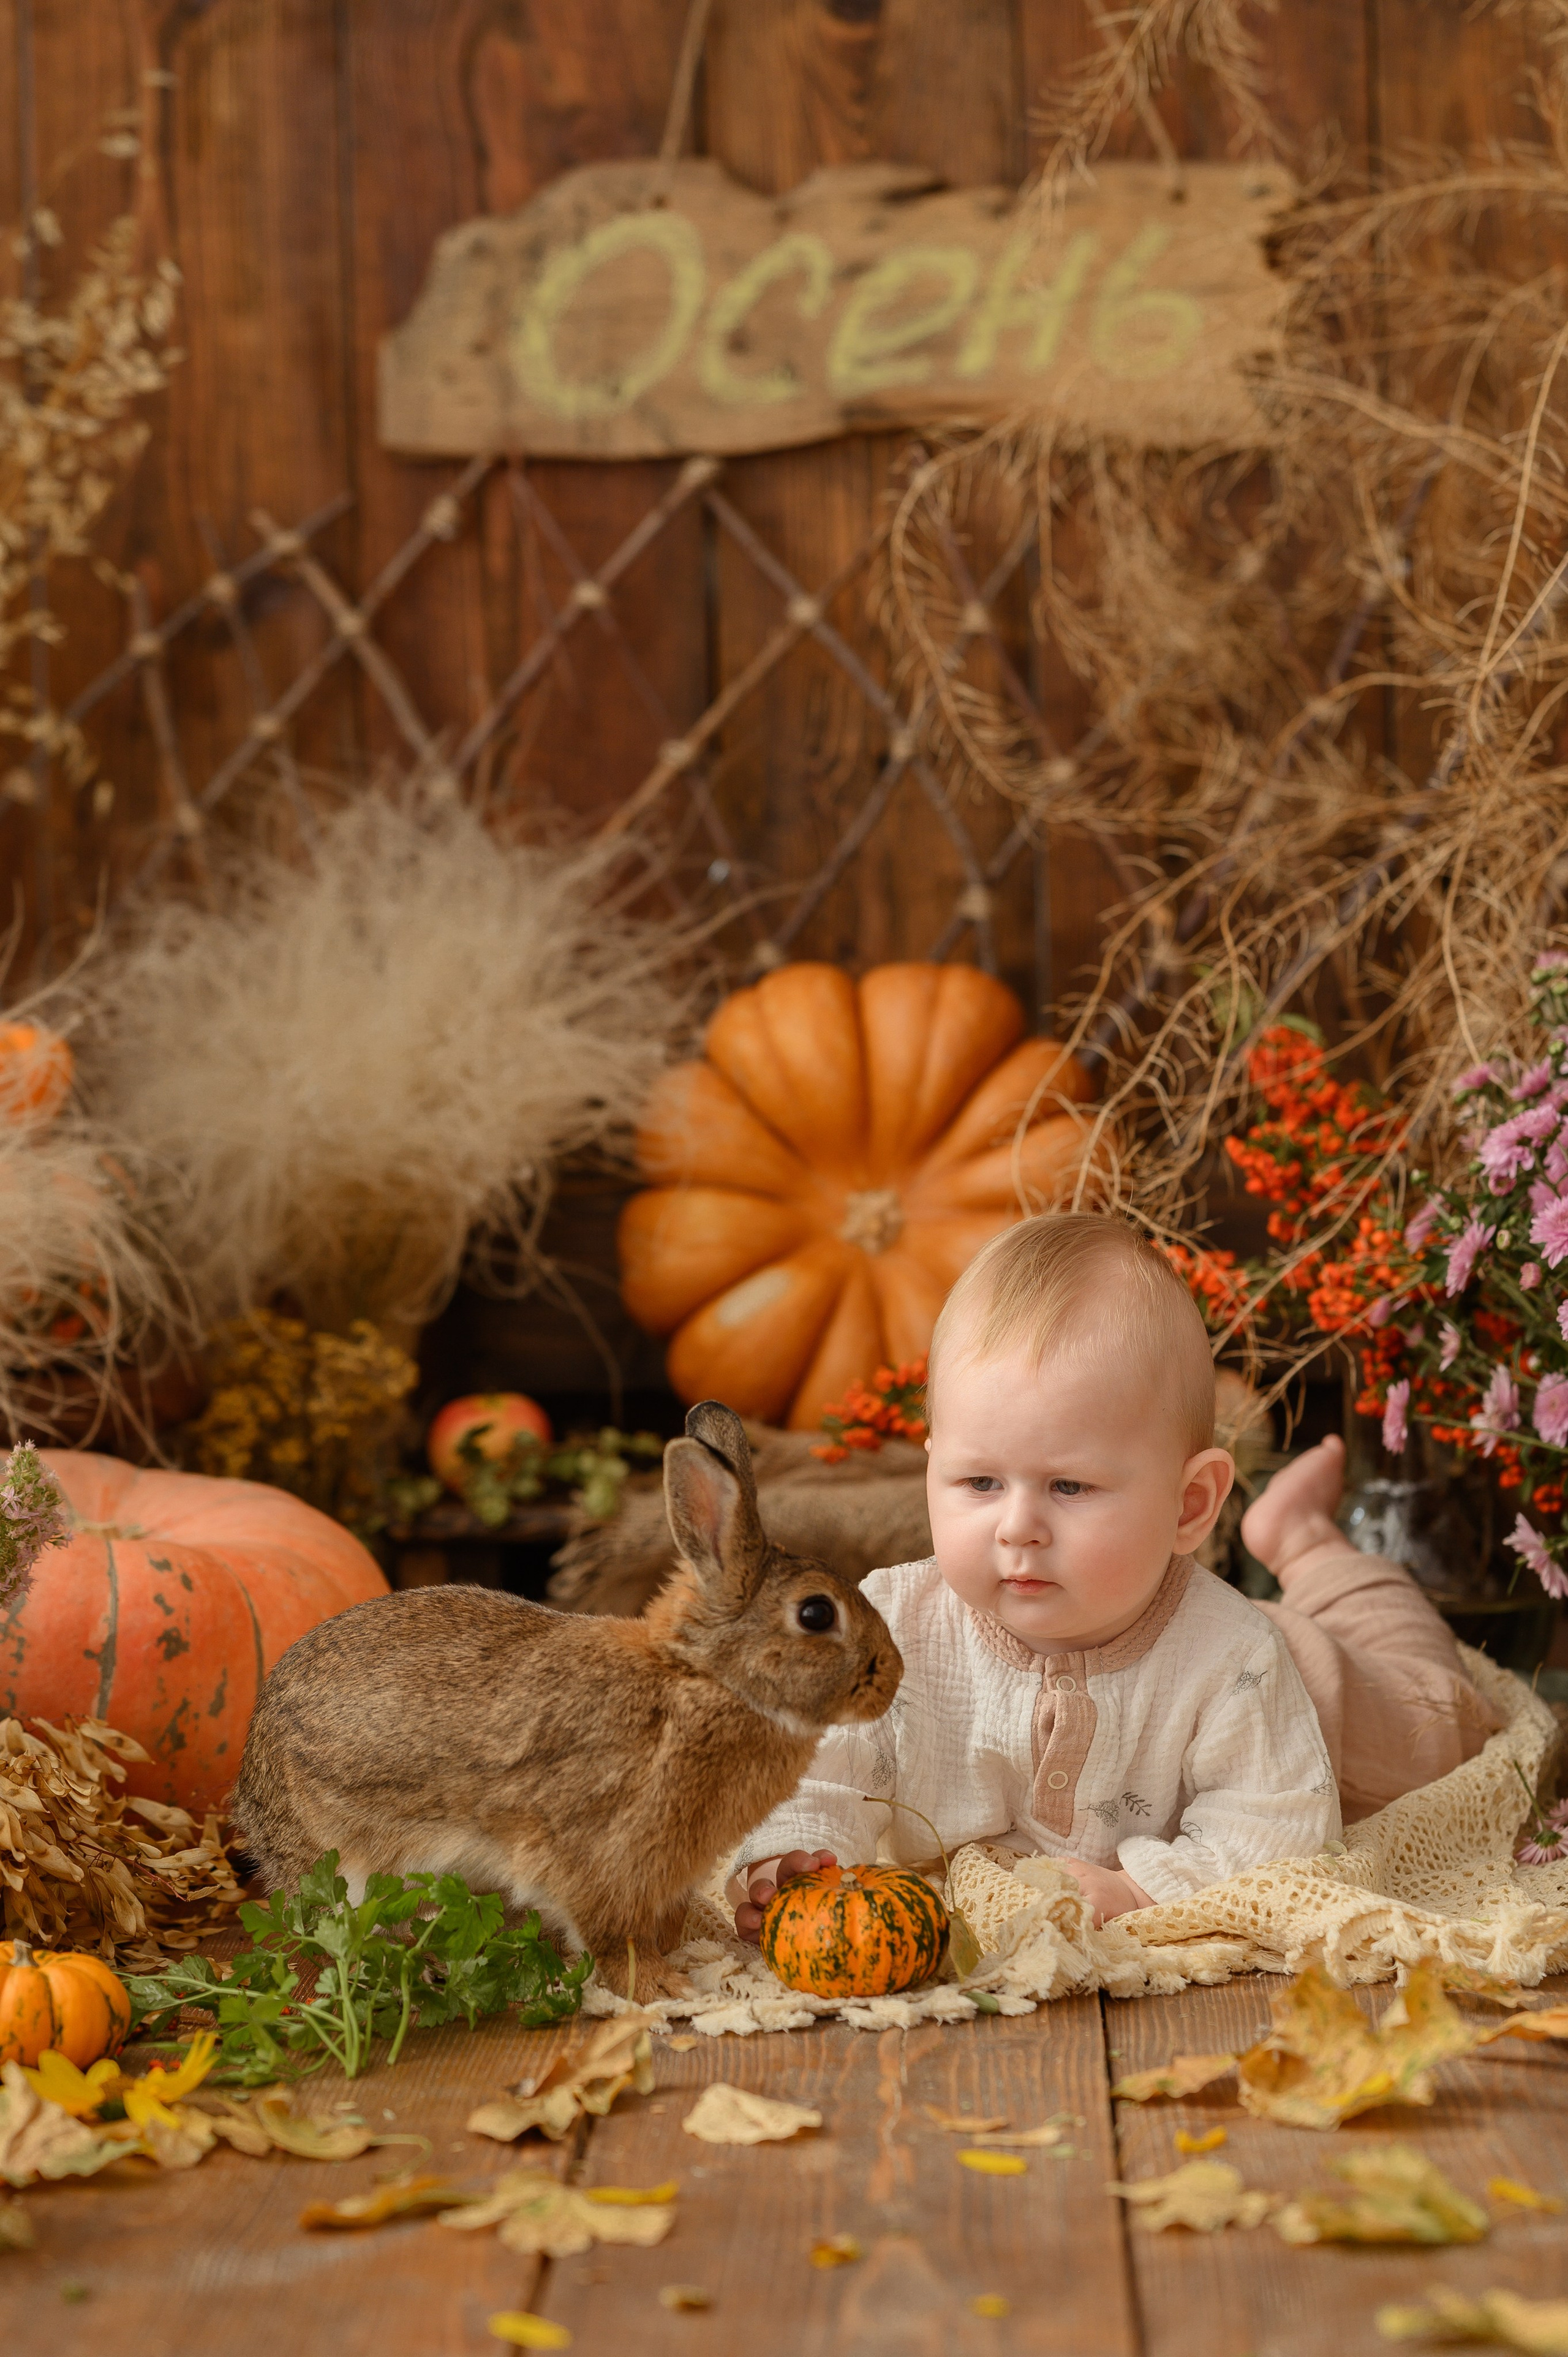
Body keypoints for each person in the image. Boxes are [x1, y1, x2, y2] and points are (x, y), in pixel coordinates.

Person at [729, 1213, 1499, 1942]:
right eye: (979, 1482)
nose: (1016, 1525)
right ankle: (1291, 1537)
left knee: (1449, 1721)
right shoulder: (893, 1629)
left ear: (1189, 1504)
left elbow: (1276, 1824)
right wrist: (795, 1852)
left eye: (1068, 1487)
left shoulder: (1233, 1657)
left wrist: (1143, 1889)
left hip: (1331, 1696)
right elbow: (817, 1767)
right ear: (931, 1469)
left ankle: (1306, 1544)